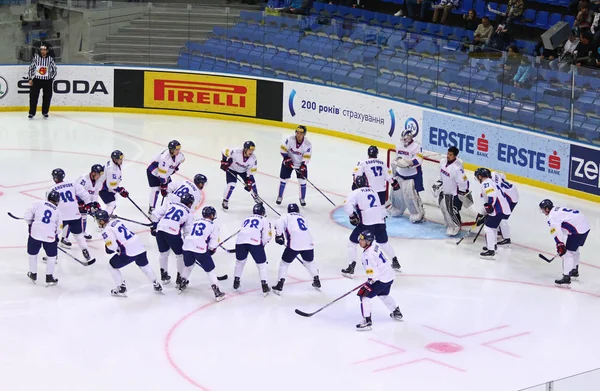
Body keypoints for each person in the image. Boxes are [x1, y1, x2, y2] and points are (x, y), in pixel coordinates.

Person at [342, 176, 400, 277]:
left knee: (352, 242)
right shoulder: (373, 191)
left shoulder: (355, 193)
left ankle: (351, 267)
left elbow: (347, 206)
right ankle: (395, 261)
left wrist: (352, 216)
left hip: (366, 222)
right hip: (380, 220)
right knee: (383, 243)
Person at [95, 210, 163, 297]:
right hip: (139, 245)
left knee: (111, 266)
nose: (97, 223)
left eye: (98, 221)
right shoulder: (116, 221)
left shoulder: (106, 231)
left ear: (102, 221)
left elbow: (112, 247)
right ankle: (156, 284)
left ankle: (121, 288)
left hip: (129, 251)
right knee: (145, 266)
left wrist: (108, 249)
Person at [355, 230, 403, 331]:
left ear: (368, 241)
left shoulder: (367, 255)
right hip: (389, 276)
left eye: (362, 239)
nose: (360, 241)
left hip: (380, 279)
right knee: (383, 295)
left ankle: (367, 322)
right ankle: (396, 311)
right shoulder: (375, 245)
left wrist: (370, 281)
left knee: (364, 296)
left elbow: (373, 273)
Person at [49, 168, 99, 265]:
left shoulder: (51, 189)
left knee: (53, 236)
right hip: (75, 215)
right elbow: (84, 194)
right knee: (79, 236)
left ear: (54, 178)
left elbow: (50, 205)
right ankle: (86, 252)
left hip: (61, 217)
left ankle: (52, 256)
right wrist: (89, 204)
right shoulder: (72, 184)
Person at [539, 200, 591, 286]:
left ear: (547, 209)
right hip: (585, 225)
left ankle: (566, 277)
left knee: (567, 253)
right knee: (575, 249)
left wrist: (559, 244)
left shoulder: (552, 217)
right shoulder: (556, 210)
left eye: (543, 209)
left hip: (578, 229)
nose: (542, 211)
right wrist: (560, 243)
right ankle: (574, 270)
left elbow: (556, 231)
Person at [272, 203, 321, 295]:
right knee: (309, 262)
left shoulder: (285, 216)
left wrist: (279, 236)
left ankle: (280, 283)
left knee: (284, 263)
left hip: (294, 243)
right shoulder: (303, 217)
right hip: (308, 243)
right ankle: (316, 279)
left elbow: (278, 224)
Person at [179, 206, 226, 301]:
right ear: (212, 215)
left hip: (187, 246)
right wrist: (212, 249)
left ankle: (182, 283)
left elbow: (188, 233)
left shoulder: (195, 222)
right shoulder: (214, 226)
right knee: (210, 270)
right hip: (200, 248)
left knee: (188, 266)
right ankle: (217, 292)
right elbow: (212, 245)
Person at [150, 193, 195, 285]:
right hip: (173, 233)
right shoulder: (189, 213)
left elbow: (154, 214)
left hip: (160, 230)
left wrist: (155, 226)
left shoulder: (170, 204)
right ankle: (180, 278)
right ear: (190, 203)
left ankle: (164, 275)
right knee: (180, 255)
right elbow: (187, 232)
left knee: (163, 253)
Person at [24, 190, 62, 286]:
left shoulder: (38, 203)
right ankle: (49, 277)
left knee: (32, 255)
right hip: (49, 236)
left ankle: (33, 274)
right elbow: (59, 229)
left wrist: (30, 225)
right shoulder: (57, 211)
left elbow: (27, 216)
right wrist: (55, 236)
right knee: (52, 256)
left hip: (35, 233)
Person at [233, 203, 273, 296]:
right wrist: (261, 245)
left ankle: (236, 282)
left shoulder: (246, 218)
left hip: (240, 241)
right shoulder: (264, 219)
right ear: (263, 212)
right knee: (262, 265)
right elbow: (267, 236)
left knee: (239, 262)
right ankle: (265, 285)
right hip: (255, 242)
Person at [388, 129, 425, 223]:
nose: (404, 140)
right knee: (397, 193)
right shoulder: (399, 144)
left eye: (406, 139)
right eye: (403, 138)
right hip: (400, 172)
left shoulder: (416, 146)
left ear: (410, 138)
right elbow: (398, 156)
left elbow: (419, 159)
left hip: (413, 174)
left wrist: (410, 163)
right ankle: (397, 208)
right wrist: (398, 162)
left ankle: (418, 213)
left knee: (412, 195)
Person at [473, 168, 512, 259]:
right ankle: (493, 245)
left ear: (480, 176)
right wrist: (481, 213)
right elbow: (487, 200)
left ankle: (491, 251)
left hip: (498, 209)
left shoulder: (485, 183)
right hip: (502, 208)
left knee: (488, 228)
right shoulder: (490, 181)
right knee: (493, 227)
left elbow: (491, 196)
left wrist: (489, 208)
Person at [432, 146, 471, 236]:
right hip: (444, 189)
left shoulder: (457, 168)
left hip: (453, 193)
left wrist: (462, 193)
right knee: (443, 206)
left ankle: (456, 226)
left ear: (455, 156)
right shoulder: (442, 162)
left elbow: (464, 181)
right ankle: (449, 223)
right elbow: (441, 175)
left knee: (452, 210)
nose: (448, 156)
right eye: (447, 153)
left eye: (450, 155)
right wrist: (438, 183)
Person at [64, 164, 104, 242]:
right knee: (71, 218)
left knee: (84, 216)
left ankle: (82, 232)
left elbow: (95, 193)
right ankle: (64, 238)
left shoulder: (98, 181)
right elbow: (76, 192)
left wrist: (95, 203)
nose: (100, 176)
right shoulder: (83, 179)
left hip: (86, 202)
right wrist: (81, 203)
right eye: (99, 174)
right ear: (93, 173)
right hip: (75, 201)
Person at [277, 125, 312, 207]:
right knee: (283, 180)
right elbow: (282, 149)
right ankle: (279, 197)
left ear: (304, 134)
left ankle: (302, 198)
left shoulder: (307, 144)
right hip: (288, 162)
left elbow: (307, 156)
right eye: (297, 132)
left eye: (301, 133)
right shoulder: (290, 139)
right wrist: (286, 158)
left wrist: (303, 165)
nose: (298, 135)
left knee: (303, 182)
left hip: (300, 164)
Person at [147, 140, 185, 214]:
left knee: (170, 189)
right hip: (154, 172)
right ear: (171, 150)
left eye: (179, 149)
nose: (178, 151)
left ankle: (171, 207)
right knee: (156, 190)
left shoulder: (180, 155)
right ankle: (152, 208)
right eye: (176, 149)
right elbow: (161, 176)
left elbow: (179, 162)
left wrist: (175, 168)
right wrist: (164, 186)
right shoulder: (164, 158)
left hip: (165, 173)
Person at [220, 141, 259, 210]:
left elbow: (251, 171)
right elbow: (224, 151)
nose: (251, 152)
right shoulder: (236, 152)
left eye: (252, 150)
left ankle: (256, 197)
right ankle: (225, 200)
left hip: (244, 171)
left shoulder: (253, 159)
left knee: (252, 184)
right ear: (245, 149)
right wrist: (224, 161)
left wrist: (248, 181)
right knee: (232, 185)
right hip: (232, 169)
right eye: (250, 150)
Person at [27, 42, 57, 119]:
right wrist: (30, 78)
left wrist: (51, 78)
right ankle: (32, 113)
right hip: (36, 80)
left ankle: (45, 112)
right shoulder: (36, 58)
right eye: (41, 50)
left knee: (47, 97)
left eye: (44, 50)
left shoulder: (50, 59)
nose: (42, 51)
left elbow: (54, 70)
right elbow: (31, 68)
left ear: (47, 51)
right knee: (33, 97)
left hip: (47, 81)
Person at [99, 150, 128, 215]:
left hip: (105, 186)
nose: (122, 160)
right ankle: (104, 219)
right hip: (103, 189)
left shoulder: (115, 164)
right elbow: (111, 186)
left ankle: (110, 213)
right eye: (120, 159)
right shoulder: (112, 170)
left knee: (114, 199)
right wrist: (120, 190)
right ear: (115, 159)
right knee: (111, 204)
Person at [491, 170, 518, 241]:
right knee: (499, 214)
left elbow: (497, 196)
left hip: (511, 199)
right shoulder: (494, 174)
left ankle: (507, 238)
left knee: (502, 218)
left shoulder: (493, 184)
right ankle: (501, 230)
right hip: (511, 194)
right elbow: (503, 175)